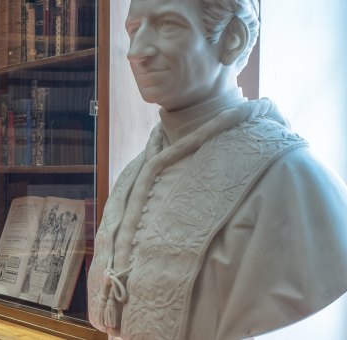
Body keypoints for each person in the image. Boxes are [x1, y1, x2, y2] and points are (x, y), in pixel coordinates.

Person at [87, 0, 347, 339]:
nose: (136, 51)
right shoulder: (134, 175)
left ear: (232, 38)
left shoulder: (291, 175)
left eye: (167, 25)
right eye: (134, 30)